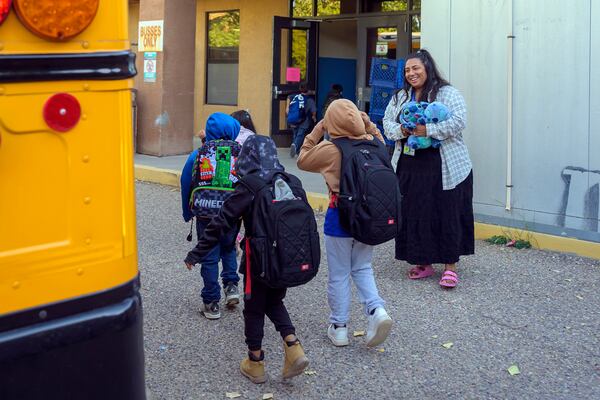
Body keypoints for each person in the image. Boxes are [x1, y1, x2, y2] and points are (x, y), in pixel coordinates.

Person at [184, 135, 309, 384]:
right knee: (273, 300)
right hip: (286, 256)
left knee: (253, 307)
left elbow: (221, 222)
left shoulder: (250, 184)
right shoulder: (292, 181)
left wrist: (197, 253)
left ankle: (255, 362)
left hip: (258, 258)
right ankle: (293, 346)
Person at [297, 99, 393, 348]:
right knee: (362, 267)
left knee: (339, 274)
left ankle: (339, 327)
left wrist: (318, 129)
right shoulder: (374, 145)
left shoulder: (331, 149)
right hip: (369, 217)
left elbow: (302, 159)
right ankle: (376, 310)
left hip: (339, 215)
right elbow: (381, 140)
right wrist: (369, 124)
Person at [382, 49, 474, 288]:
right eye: (407, 70)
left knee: (447, 212)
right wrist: (403, 130)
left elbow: (459, 120)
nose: (411, 73)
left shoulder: (447, 93)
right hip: (410, 166)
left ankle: (450, 266)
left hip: (445, 166)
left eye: (416, 68)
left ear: (427, 68)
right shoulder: (401, 96)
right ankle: (423, 262)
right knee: (415, 213)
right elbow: (387, 124)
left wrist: (427, 131)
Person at [180, 112, 241, 319]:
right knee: (229, 248)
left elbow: (186, 182)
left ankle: (211, 302)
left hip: (205, 213)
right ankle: (231, 286)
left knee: (209, 256)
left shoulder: (198, 154)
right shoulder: (239, 153)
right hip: (231, 214)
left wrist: (187, 212)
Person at [286, 82, 316, 158]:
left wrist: (287, 107)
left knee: (295, 134)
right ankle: (295, 145)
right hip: (304, 120)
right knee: (300, 134)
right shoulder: (309, 100)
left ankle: (296, 149)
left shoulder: (295, 96)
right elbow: (313, 110)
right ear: (308, 91)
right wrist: (314, 117)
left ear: (300, 89)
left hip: (293, 118)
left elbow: (289, 97)